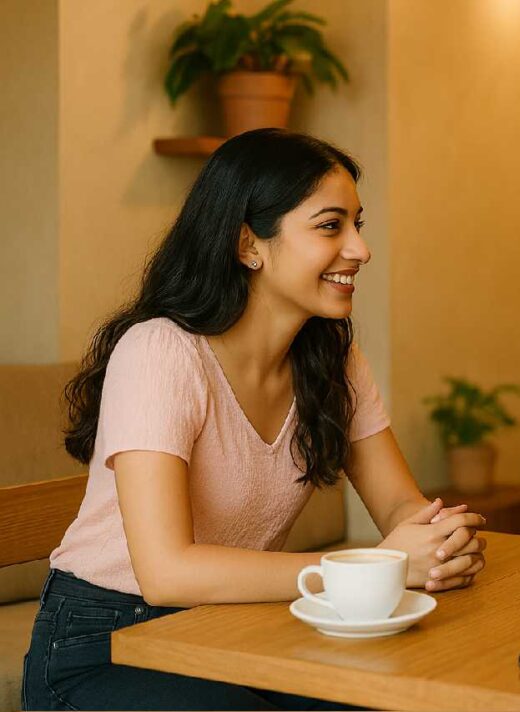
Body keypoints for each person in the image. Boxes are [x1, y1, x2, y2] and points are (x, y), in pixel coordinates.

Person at [22, 129, 487, 710]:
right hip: (106, 641)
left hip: (238, 626)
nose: (360, 250)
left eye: (357, 225)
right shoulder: (161, 351)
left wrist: (438, 541)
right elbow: (167, 571)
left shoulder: (332, 358)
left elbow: (398, 504)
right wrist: (375, 567)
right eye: (329, 225)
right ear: (249, 244)